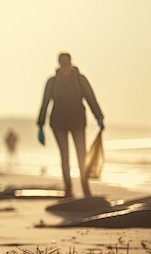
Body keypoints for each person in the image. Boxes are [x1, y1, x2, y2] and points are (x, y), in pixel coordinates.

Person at [37, 52, 104, 198]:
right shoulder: (52, 82)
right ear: (59, 65)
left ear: (71, 63)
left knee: (82, 155)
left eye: (67, 64)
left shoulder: (80, 80)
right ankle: (68, 189)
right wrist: (40, 125)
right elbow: (45, 103)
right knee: (65, 155)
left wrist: (99, 116)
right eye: (62, 64)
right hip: (58, 123)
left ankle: (85, 188)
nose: (65, 67)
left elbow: (90, 98)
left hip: (78, 122)